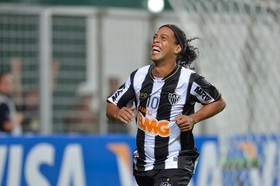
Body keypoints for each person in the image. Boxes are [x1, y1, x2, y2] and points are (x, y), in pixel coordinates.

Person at [106, 24, 226, 186]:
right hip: (143, 165)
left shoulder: (189, 80)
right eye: (155, 37)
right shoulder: (139, 76)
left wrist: (193, 118)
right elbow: (111, 105)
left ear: (177, 48)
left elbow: (218, 102)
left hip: (175, 162)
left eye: (163, 38)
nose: (156, 41)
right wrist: (117, 113)